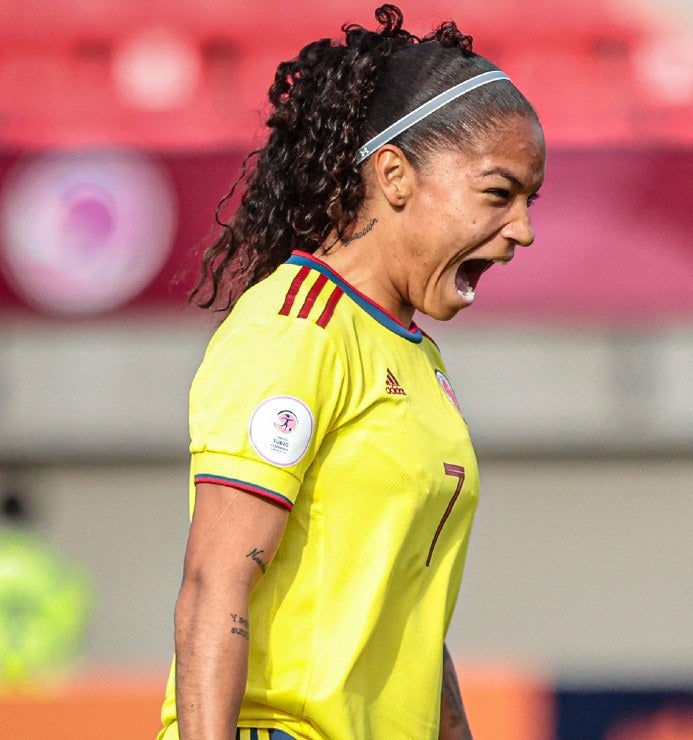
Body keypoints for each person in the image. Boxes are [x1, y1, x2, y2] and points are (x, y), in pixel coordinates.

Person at [158, 5, 545, 739]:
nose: (523, 230)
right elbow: (214, 585)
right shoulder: (296, 328)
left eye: (531, 201)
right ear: (394, 174)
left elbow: (406, 608)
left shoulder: (417, 355)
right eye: (499, 194)